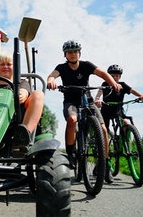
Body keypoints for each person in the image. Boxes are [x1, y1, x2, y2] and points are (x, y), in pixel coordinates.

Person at [46, 40, 121, 183]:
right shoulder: (61, 67)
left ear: (79, 53)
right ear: (65, 55)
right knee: (72, 120)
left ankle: (105, 163)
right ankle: (71, 154)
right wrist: (51, 81)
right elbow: (52, 75)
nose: (73, 54)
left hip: (87, 100)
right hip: (71, 102)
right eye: (69, 52)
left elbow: (103, 73)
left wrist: (113, 83)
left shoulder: (86, 65)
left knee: (103, 129)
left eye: (75, 51)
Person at [0, 51, 45, 147]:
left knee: (38, 94)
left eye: (9, 64)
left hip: (17, 123)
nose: (5, 66)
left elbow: (23, 93)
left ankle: (23, 135)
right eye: (2, 64)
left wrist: (22, 93)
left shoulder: (22, 83)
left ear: (15, 67)